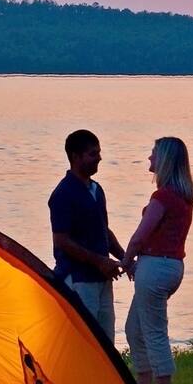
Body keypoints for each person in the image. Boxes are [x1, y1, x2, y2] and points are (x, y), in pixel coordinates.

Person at [122, 137, 193, 384]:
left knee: (154, 333)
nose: (149, 158)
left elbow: (140, 236)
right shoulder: (183, 197)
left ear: (164, 160)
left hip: (155, 267)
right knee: (134, 329)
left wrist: (126, 260)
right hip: (170, 266)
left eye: (153, 154)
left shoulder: (162, 197)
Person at [48, 129, 125, 338]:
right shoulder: (63, 194)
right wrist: (99, 261)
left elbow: (104, 230)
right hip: (78, 279)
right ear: (75, 157)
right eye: (93, 154)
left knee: (106, 339)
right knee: (84, 338)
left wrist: (124, 258)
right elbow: (62, 241)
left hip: (101, 279)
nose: (99, 158)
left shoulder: (97, 190)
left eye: (99, 152)